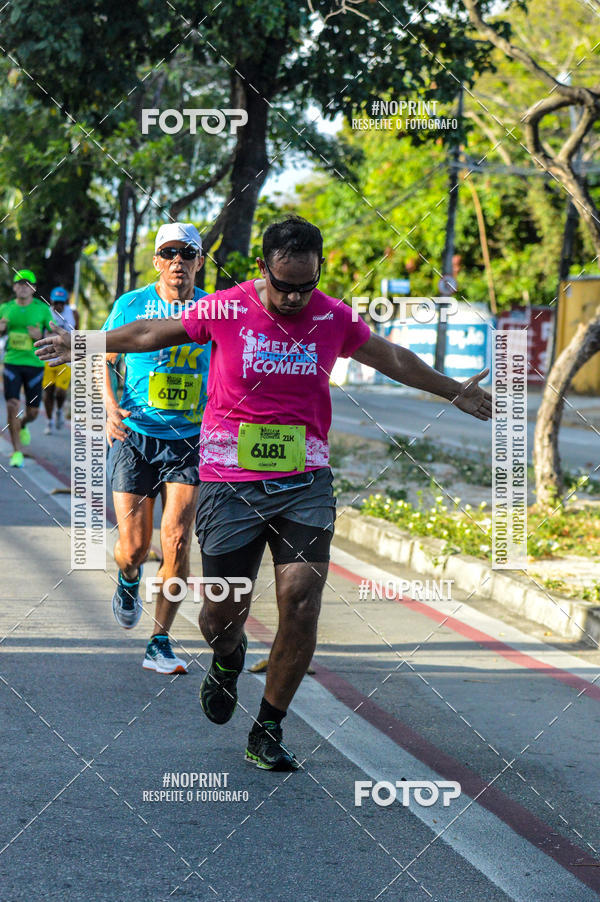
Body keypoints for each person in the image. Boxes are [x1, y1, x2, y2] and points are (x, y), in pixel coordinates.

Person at [36, 215, 492, 770]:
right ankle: (227, 659)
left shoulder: (331, 315)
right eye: (284, 285)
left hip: (305, 483)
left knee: (300, 604)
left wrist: (453, 391)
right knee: (219, 617)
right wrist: (86, 342)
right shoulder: (226, 307)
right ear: (262, 270)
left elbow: (391, 358)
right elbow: (152, 333)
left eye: (306, 284)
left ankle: (268, 727)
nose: (296, 297)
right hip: (230, 483)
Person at [101, 222, 211, 674]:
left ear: (200, 260)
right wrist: (109, 408)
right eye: (169, 253)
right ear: (156, 260)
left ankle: (160, 641)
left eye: (187, 253)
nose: (178, 262)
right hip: (136, 436)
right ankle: (128, 580)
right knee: (134, 548)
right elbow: (101, 357)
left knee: (178, 541)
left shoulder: (214, 309)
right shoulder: (130, 305)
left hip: (190, 438)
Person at [0, 269, 53, 467]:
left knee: (31, 413)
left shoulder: (42, 309)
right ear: (14, 287)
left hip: (35, 365)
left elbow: (53, 337)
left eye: (27, 284)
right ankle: (17, 452)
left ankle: (21, 425)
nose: (23, 287)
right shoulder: (5, 308)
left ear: (34, 288)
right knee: (12, 405)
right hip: (12, 363)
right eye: (19, 283)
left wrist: (40, 336)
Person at [42, 286, 79, 434]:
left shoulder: (73, 314)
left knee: (60, 392)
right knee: (47, 392)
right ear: (51, 301)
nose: (58, 305)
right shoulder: (46, 313)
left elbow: (78, 333)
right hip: (48, 358)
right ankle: (49, 421)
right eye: (56, 302)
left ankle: (59, 411)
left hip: (66, 358)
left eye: (61, 303)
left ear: (66, 302)